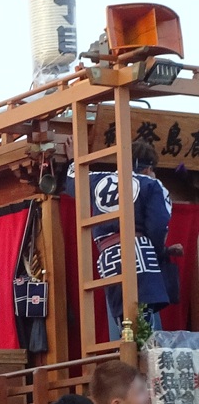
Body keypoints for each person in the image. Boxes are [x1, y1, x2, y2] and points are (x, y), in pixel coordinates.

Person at [65, 139, 172, 337]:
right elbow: (158, 225)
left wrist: (73, 159)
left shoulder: (99, 180)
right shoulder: (151, 184)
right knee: (143, 324)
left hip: (108, 257)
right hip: (138, 253)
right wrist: (159, 251)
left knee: (123, 321)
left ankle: (125, 358)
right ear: (149, 168)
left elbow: (72, 181)